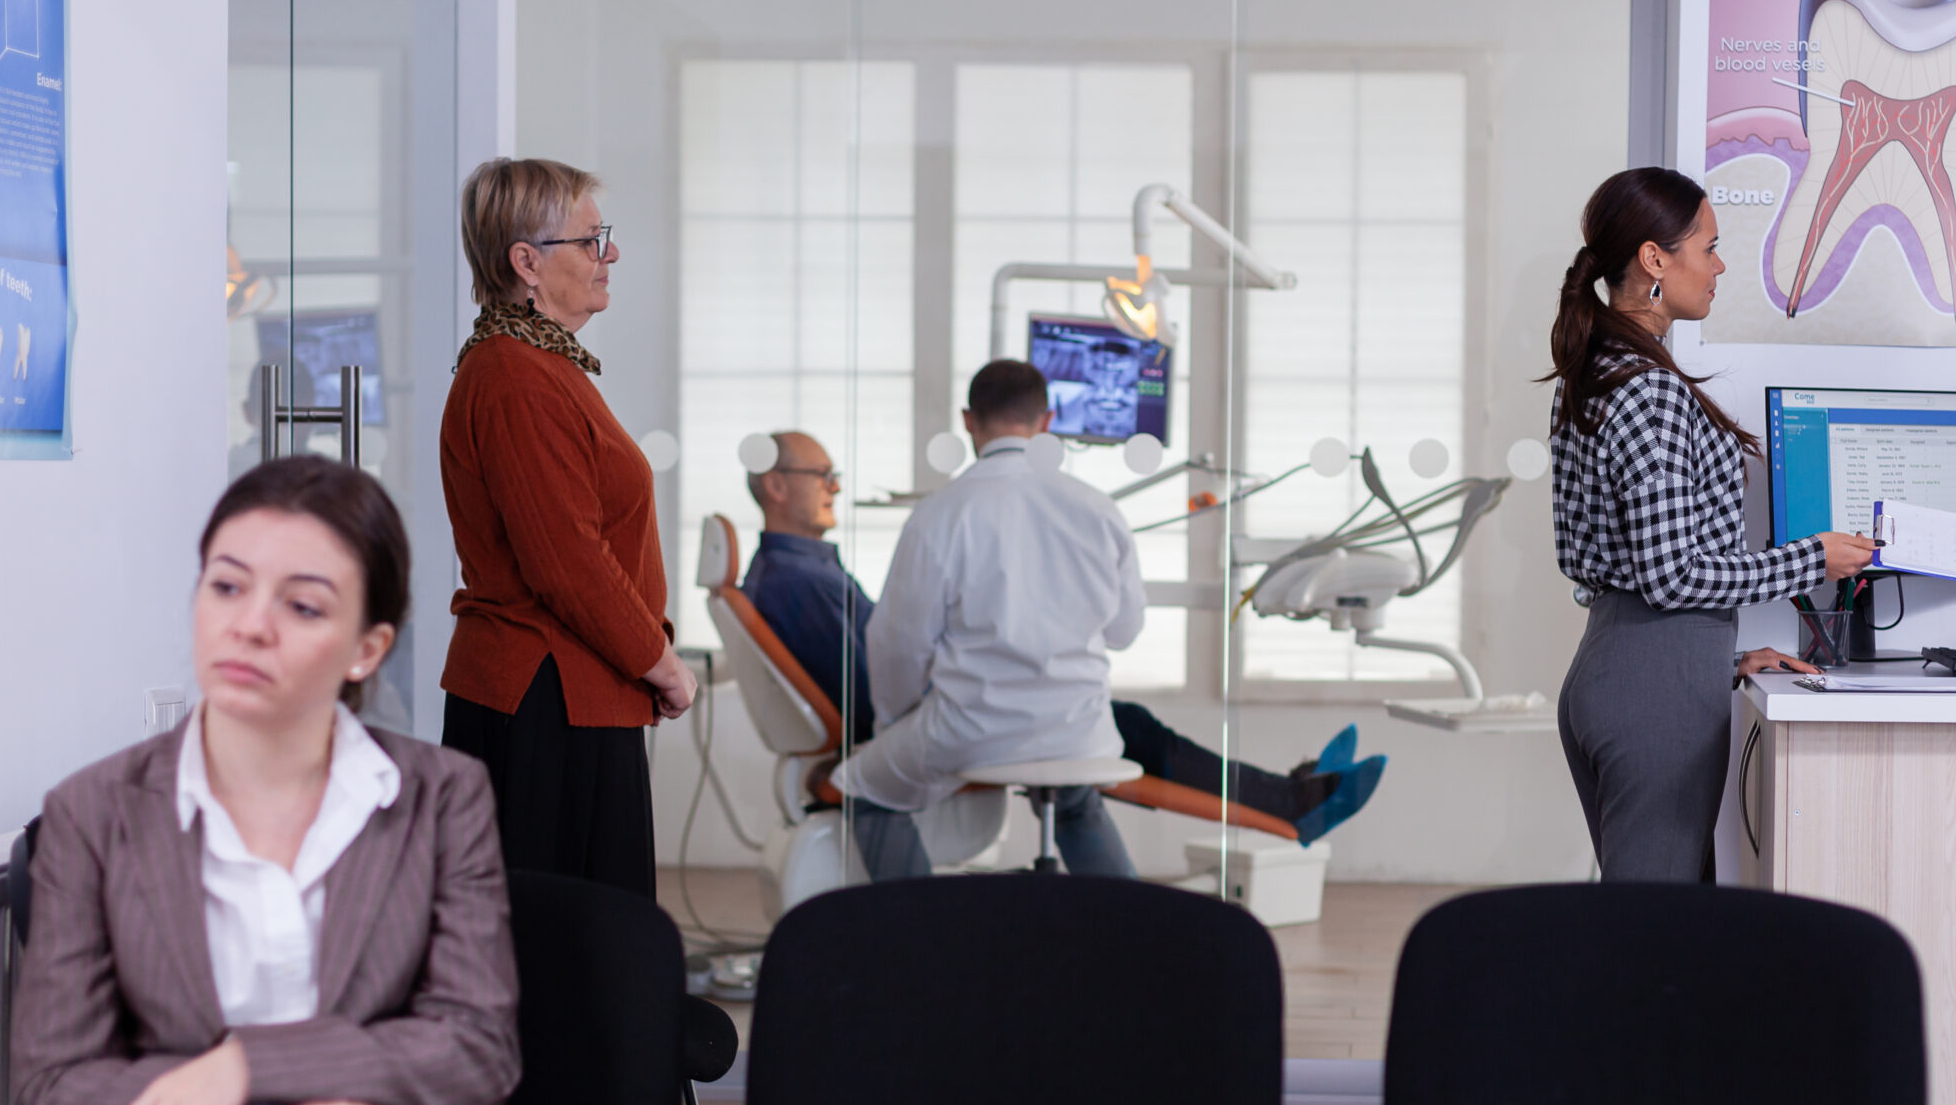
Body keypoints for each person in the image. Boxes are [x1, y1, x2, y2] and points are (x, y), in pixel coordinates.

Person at [10, 457, 550, 1105]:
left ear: (366, 649)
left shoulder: (441, 801)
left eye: (302, 605)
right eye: (226, 584)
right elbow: (52, 1097)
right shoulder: (95, 815)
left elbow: (477, 1052)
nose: (249, 625)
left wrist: (249, 1071)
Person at [740, 428, 1383, 858]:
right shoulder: (793, 580)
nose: (835, 485)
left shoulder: (811, 567)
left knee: (1107, 737)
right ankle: (1291, 800)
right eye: (820, 474)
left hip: (961, 714)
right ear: (773, 485)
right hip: (938, 727)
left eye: (833, 473)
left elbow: (897, 649)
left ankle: (1290, 795)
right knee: (1115, 729)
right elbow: (868, 679)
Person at [1546, 166, 1876, 886]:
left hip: (1639, 669)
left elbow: (1612, 563)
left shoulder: (1603, 370)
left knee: (1662, 935)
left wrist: (1718, 661)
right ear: (1654, 260)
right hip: (1651, 685)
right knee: (1651, 944)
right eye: (1710, 246)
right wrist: (1810, 559)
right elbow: (1670, 572)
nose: (1721, 265)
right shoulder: (1648, 388)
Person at [439, 156, 694, 899]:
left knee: (581, 957)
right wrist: (662, 661)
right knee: (565, 959)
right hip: (547, 701)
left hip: (572, 692)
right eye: (590, 240)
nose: (608, 254)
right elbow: (566, 561)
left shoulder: (543, 367)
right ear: (526, 262)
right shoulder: (516, 377)